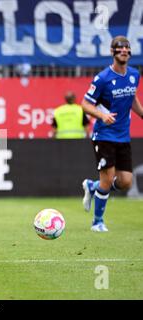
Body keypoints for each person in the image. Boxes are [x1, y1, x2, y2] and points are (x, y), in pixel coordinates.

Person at [81, 35, 143, 232]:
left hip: (123, 136)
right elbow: (84, 104)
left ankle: (93, 187)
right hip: (104, 135)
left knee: (125, 182)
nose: (124, 50)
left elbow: (132, 97)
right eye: (119, 47)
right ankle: (97, 222)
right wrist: (101, 116)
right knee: (107, 179)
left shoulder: (134, 74)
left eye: (127, 47)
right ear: (112, 52)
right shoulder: (102, 79)